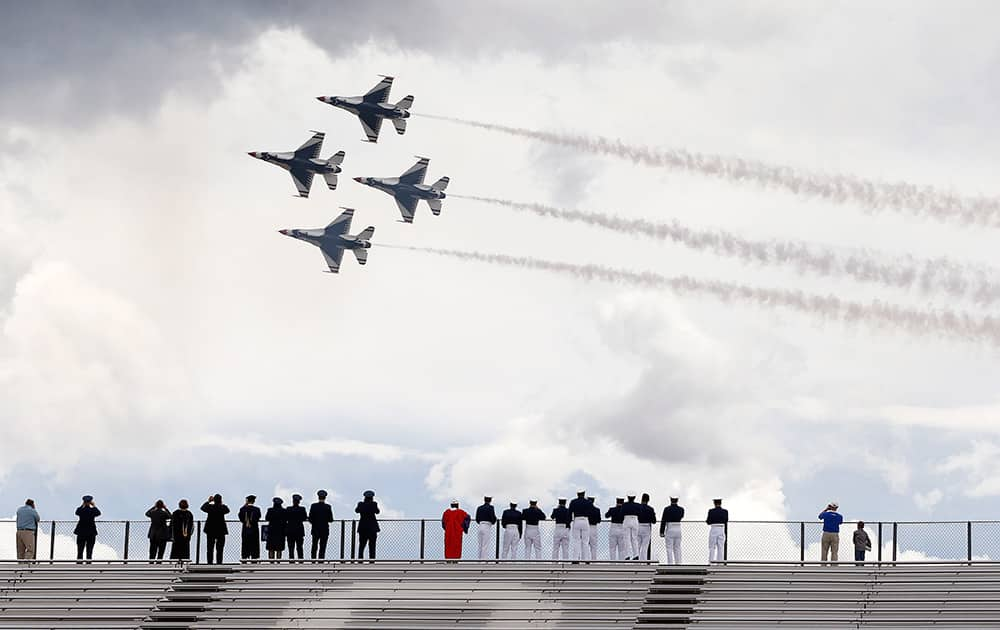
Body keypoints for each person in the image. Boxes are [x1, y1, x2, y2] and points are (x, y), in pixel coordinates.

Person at [201, 494, 230, 564]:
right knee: (220, 549)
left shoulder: (210, 507)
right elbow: (228, 510)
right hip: (221, 530)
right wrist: (221, 503)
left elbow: (202, 508)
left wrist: (208, 501)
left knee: (210, 548)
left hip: (210, 530)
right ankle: (219, 563)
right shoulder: (222, 507)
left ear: (214, 500)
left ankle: (209, 563)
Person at [308, 490, 334, 560]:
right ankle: (321, 560)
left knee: (314, 545)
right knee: (322, 546)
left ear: (318, 497)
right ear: (325, 497)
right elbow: (331, 519)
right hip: (324, 529)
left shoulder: (313, 506)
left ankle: (313, 560)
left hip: (315, 529)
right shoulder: (328, 507)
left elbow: (310, 518)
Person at [74, 495, 101, 562]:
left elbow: (76, 512)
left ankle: (79, 565)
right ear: (90, 502)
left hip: (81, 532)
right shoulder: (92, 511)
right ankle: (88, 564)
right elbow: (99, 513)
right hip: (91, 533)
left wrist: (82, 505)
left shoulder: (81, 510)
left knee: (80, 550)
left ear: (84, 502)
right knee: (89, 551)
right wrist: (94, 505)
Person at [356, 490, 381, 561]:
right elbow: (377, 511)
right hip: (372, 528)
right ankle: (372, 561)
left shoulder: (361, 504)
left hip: (363, 528)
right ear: (372, 497)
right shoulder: (374, 504)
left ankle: (360, 561)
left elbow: (357, 510)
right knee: (372, 546)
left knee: (361, 546)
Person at [660, 496, 684, 565]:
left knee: (669, 548)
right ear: (677, 500)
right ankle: (678, 563)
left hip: (670, 528)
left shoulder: (667, 509)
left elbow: (663, 520)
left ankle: (670, 564)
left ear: (670, 499)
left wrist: (662, 531)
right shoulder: (681, 509)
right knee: (677, 547)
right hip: (678, 527)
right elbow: (681, 516)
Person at [568, 490, 591, 561]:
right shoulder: (588, 502)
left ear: (577, 494)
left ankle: (575, 559)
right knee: (585, 541)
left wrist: (568, 523)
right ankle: (586, 559)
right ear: (584, 494)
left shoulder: (573, 502)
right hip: (585, 520)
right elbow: (591, 512)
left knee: (576, 541)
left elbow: (569, 513)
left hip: (577, 520)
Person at [239, 495, 261, 561]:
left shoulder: (242, 509)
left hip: (245, 530)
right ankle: (254, 562)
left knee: (245, 546)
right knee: (254, 547)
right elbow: (258, 518)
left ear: (247, 501)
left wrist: (245, 505)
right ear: (254, 501)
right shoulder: (257, 509)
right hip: (254, 531)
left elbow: (241, 518)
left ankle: (244, 561)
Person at [286, 494, 307, 562]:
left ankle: (291, 561)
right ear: (299, 502)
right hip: (299, 530)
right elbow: (304, 518)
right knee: (299, 547)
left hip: (290, 530)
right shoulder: (302, 509)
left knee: (291, 548)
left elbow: (286, 518)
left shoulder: (288, 509)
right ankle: (301, 561)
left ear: (293, 501)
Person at [475, 496, 497, 560]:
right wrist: (493, 521)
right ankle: (484, 560)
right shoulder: (491, 508)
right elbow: (493, 517)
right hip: (487, 526)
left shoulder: (479, 508)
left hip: (480, 525)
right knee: (485, 544)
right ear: (490, 500)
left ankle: (479, 559)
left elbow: (477, 519)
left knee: (480, 544)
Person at [706, 498, 728, 562]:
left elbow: (708, 522)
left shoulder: (711, 511)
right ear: (720, 503)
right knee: (721, 547)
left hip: (714, 528)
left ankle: (711, 562)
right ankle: (720, 563)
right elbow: (726, 520)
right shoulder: (725, 511)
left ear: (714, 503)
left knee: (712, 547)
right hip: (721, 528)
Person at [637, 493, 657, 560]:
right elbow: (654, 521)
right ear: (648, 500)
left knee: (637, 546)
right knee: (645, 547)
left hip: (638, 526)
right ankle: (644, 562)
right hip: (646, 528)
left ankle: (636, 562)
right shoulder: (650, 509)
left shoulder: (637, 507)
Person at [622, 494, 641, 560]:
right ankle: (636, 555)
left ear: (628, 497)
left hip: (627, 519)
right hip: (635, 519)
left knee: (627, 539)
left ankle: (627, 555)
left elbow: (621, 513)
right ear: (634, 497)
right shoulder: (638, 505)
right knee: (634, 538)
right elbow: (640, 513)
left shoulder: (624, 505)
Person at [586, 496, 601, 560]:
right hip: (594, 527)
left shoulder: (585, 510)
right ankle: (594, 559)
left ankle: (586, 559)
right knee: (593, 545)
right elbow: (599, 520)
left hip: (586, 527)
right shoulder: (597, 510)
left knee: (585, 544)